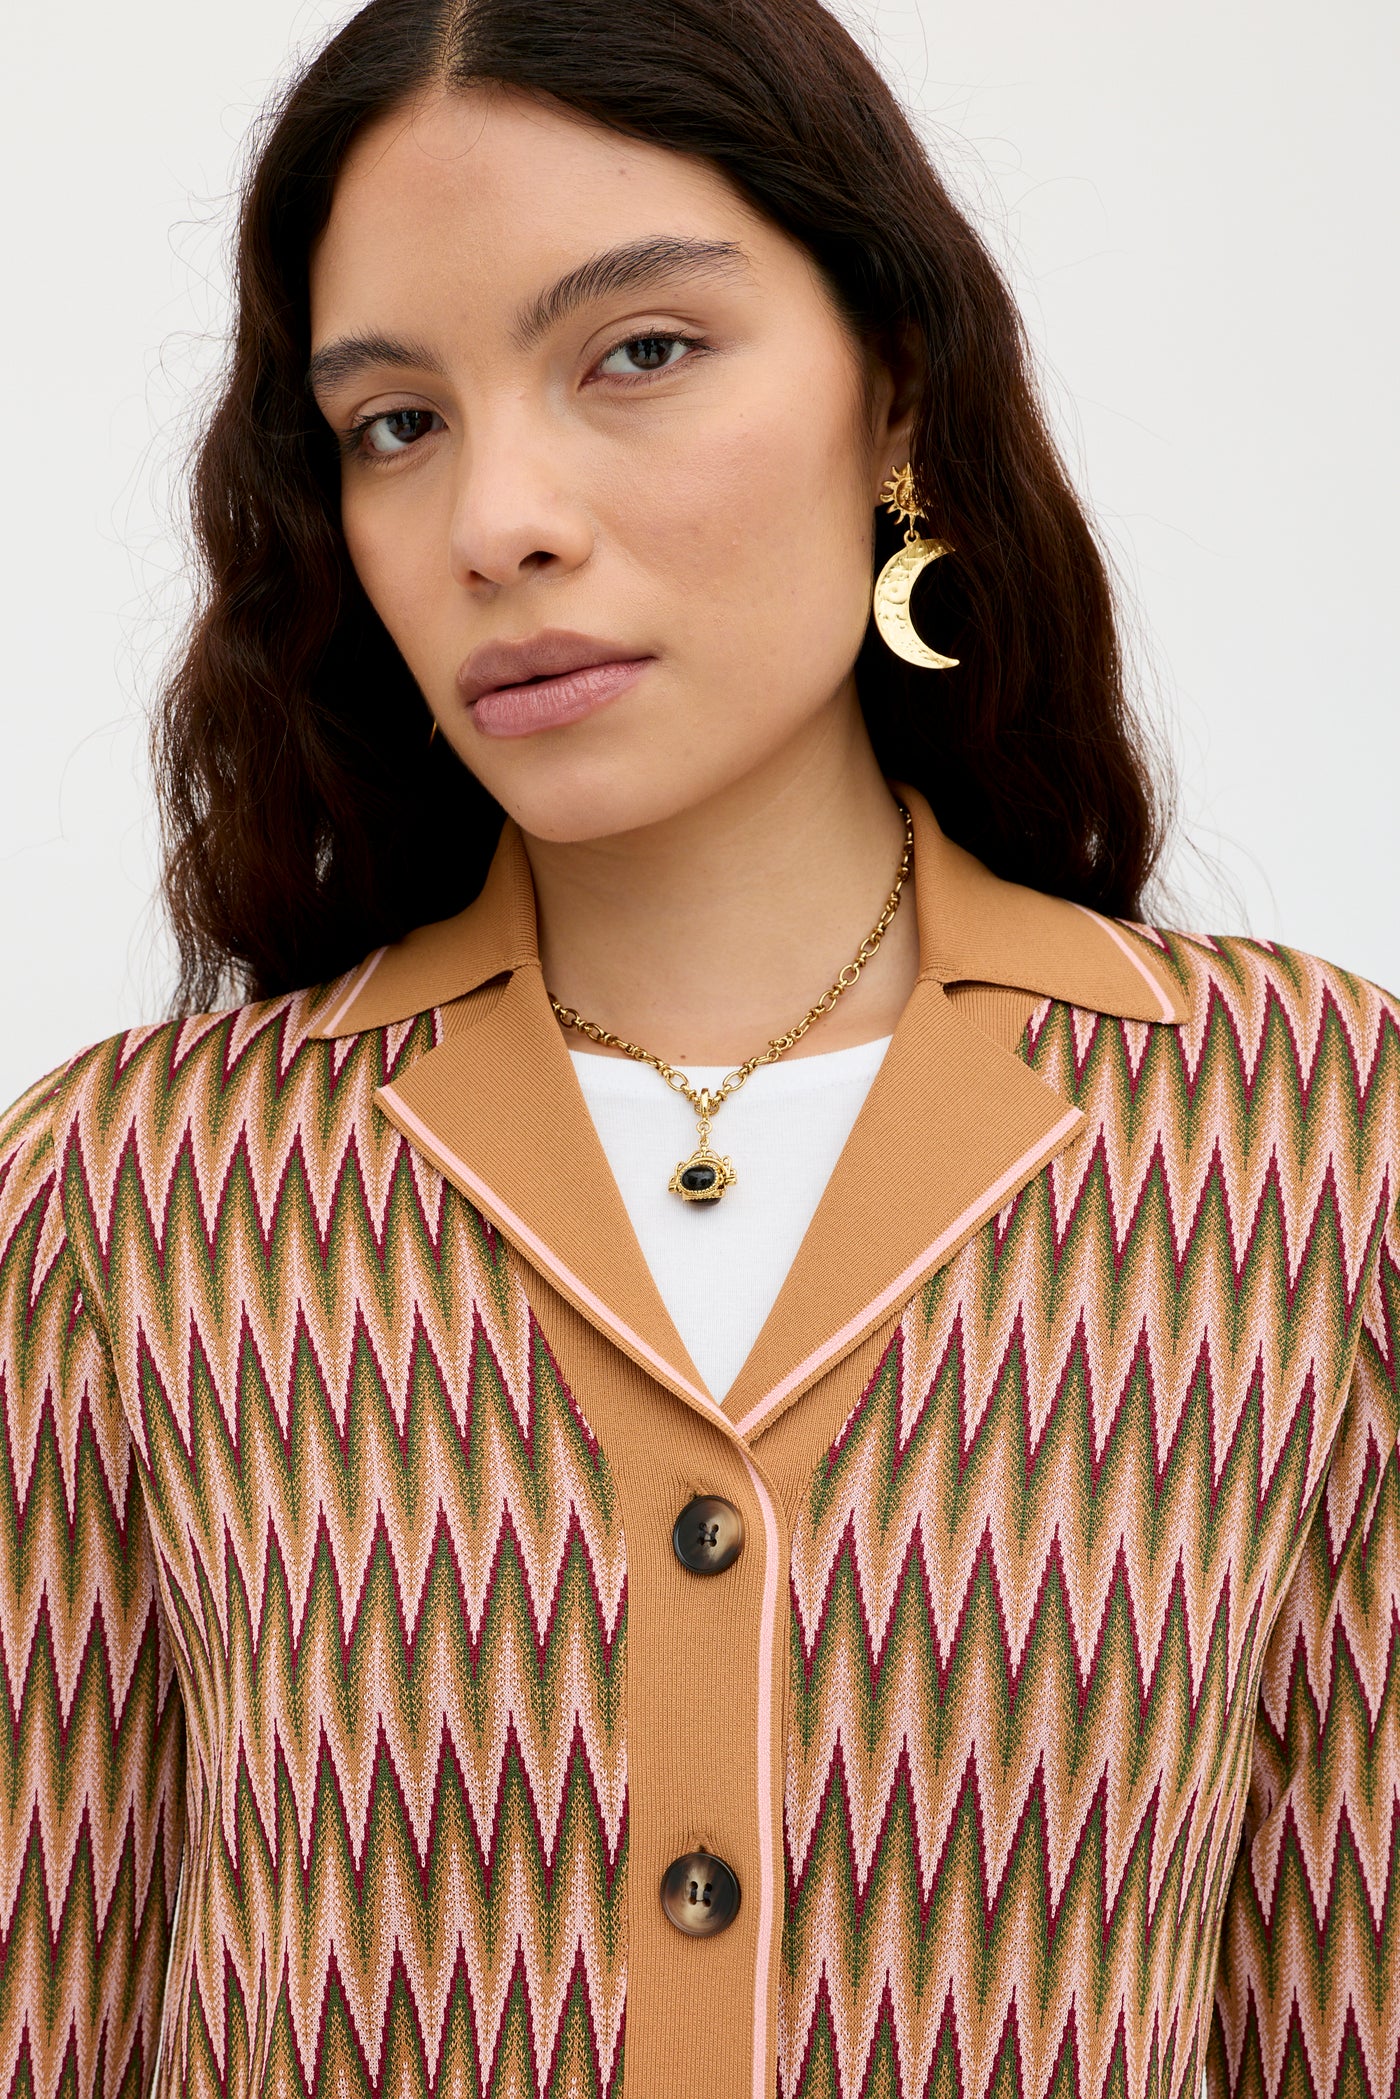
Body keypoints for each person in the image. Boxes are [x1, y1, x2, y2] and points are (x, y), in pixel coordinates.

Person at [1, 0, 1395, 2094]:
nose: (499, 520)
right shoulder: (130, 1203)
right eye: (395, 424)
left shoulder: (1309, 1145)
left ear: (895, 385)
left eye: (636, 352)